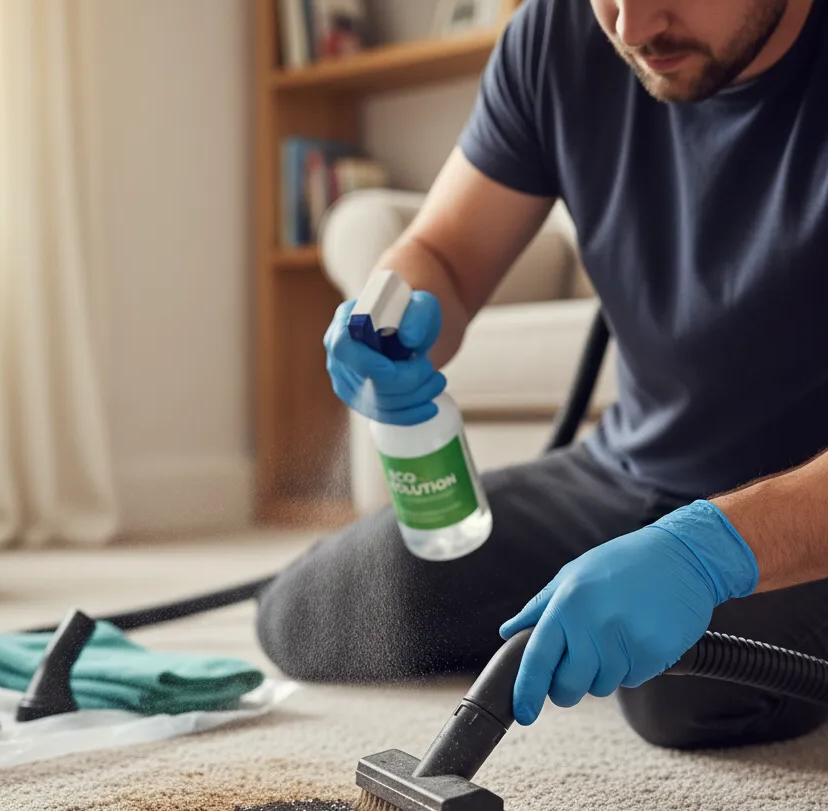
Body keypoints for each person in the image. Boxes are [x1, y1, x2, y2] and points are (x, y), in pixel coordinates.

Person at [256, 0, 828, 750]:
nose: (631, 30)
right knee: (314, 616)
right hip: (628, 472)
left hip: (801, 507)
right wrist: (393, 311)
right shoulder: (556, 36)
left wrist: (713, 550)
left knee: (685, 687)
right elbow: (446, 253)